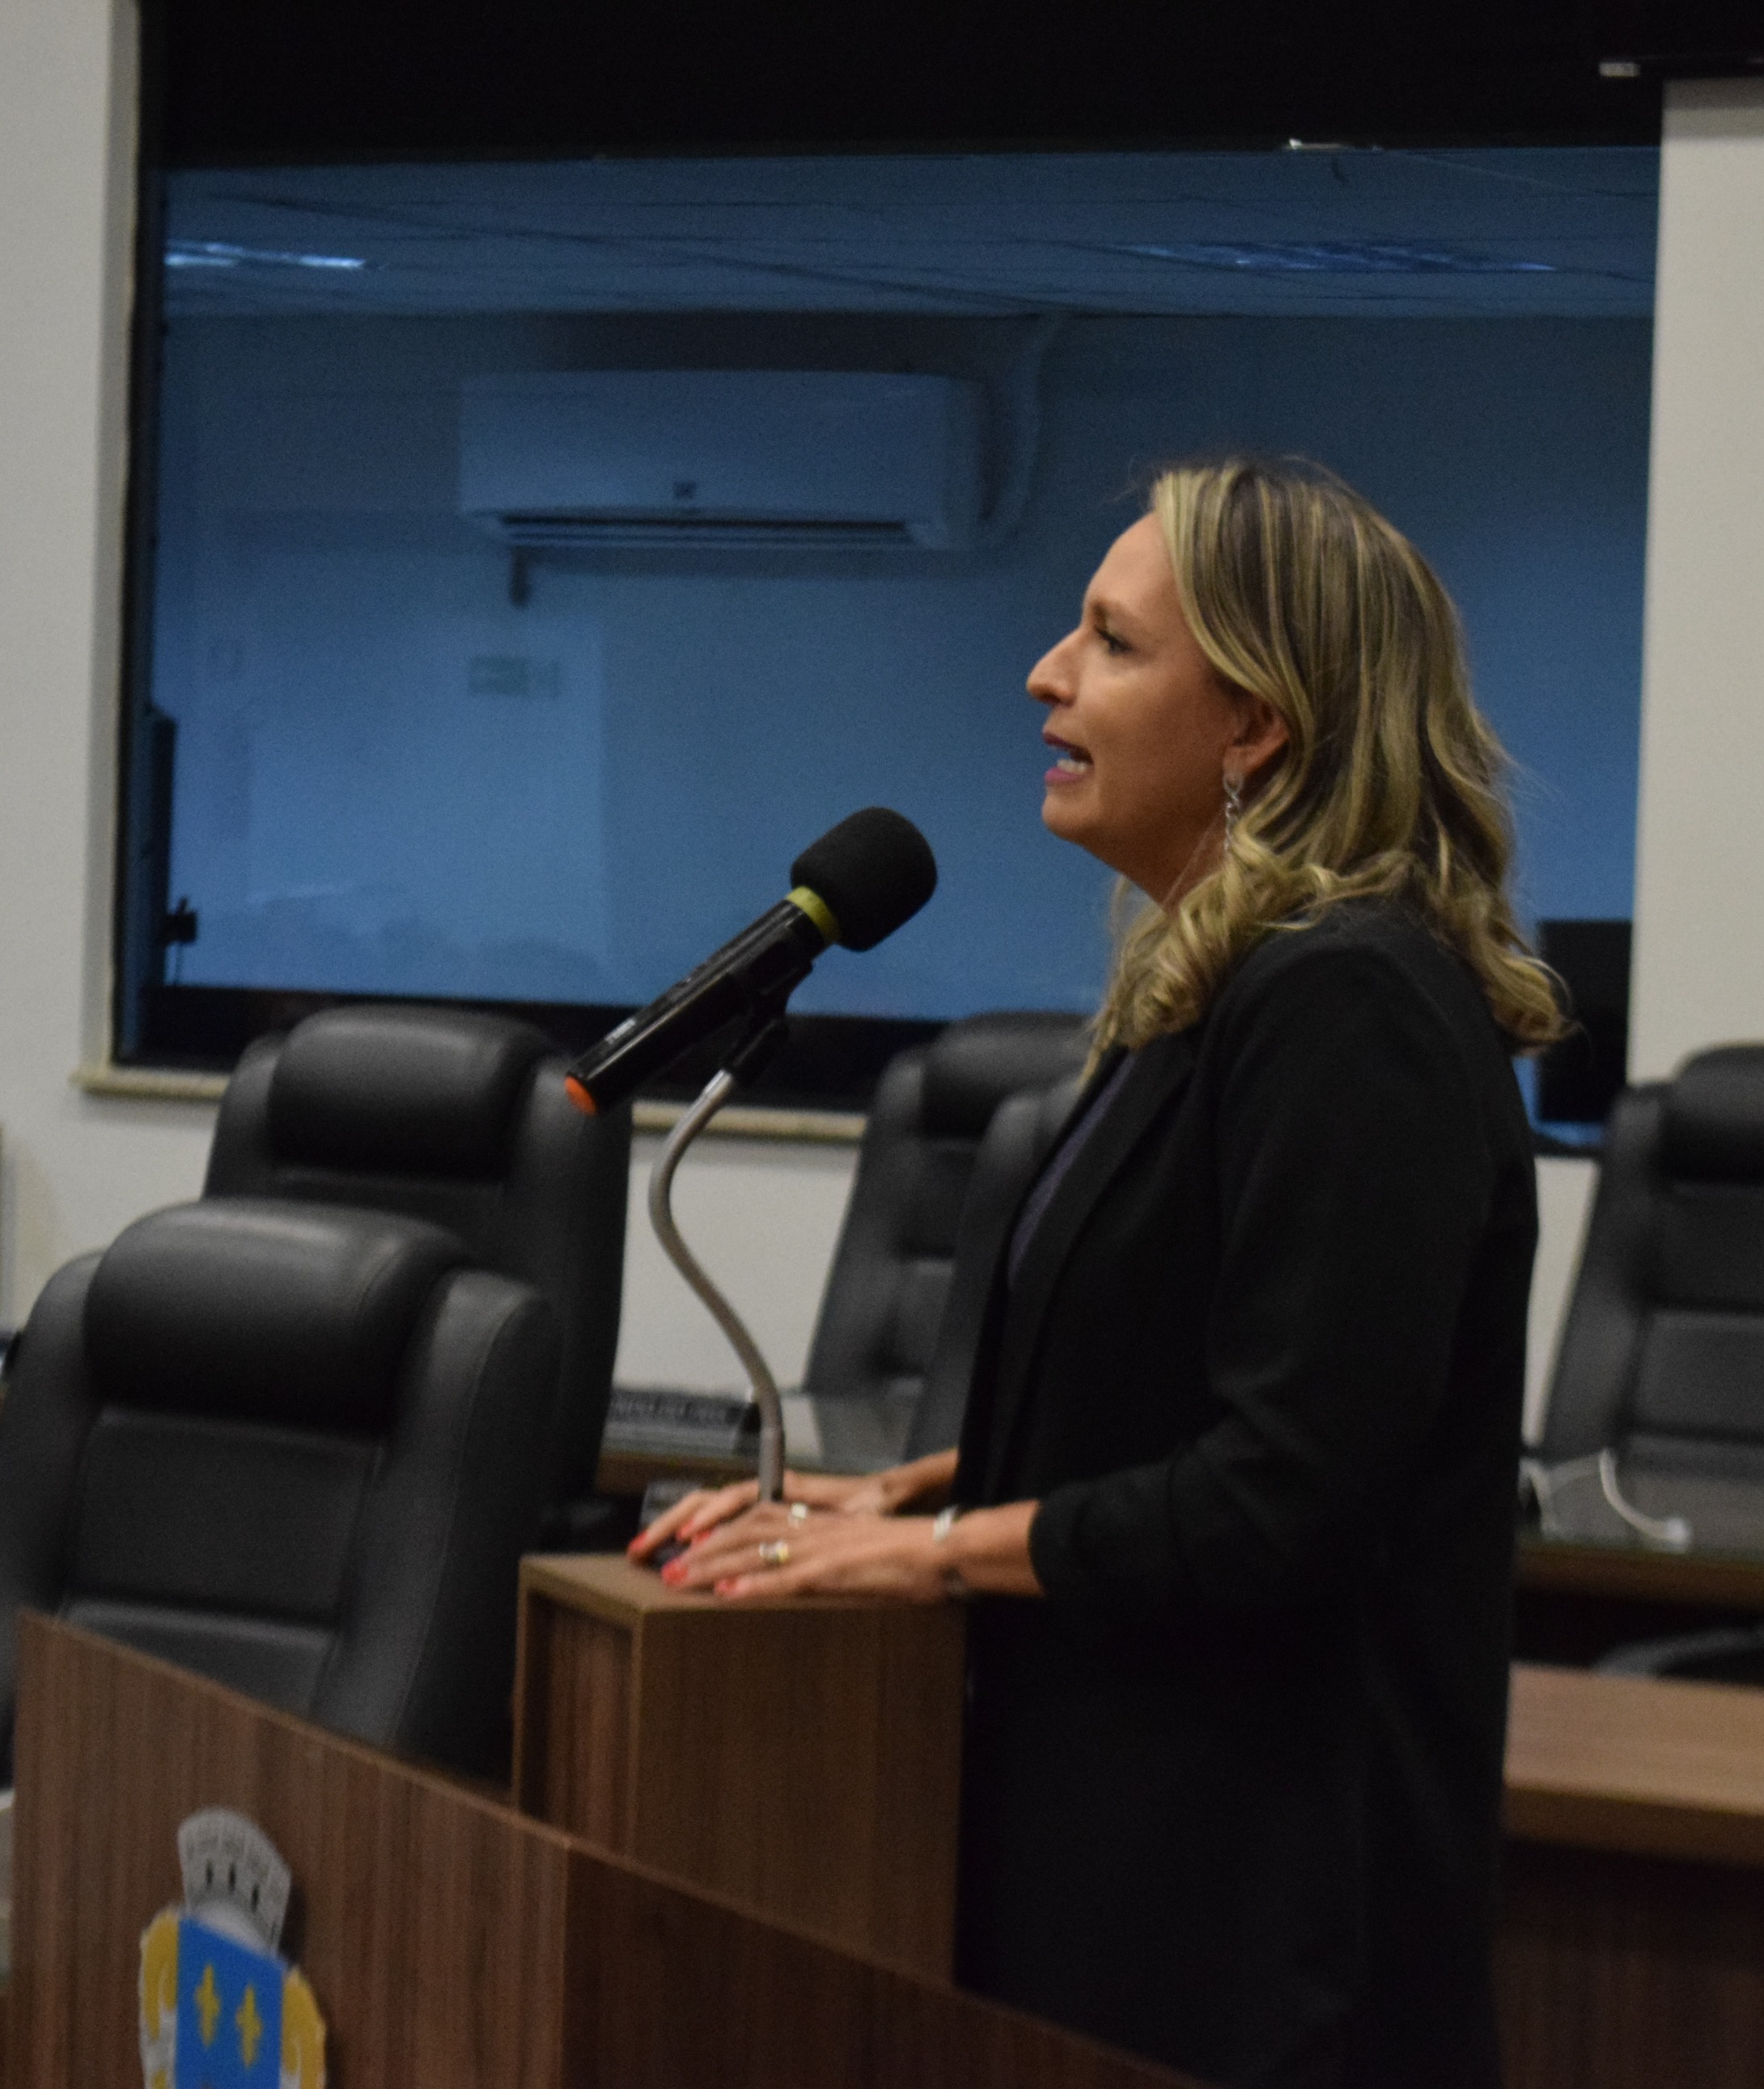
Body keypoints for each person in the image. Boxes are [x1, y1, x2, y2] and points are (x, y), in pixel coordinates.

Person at [629, 455, 1561, 2088]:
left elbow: (1288, 1492)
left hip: (1264, 1929)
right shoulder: (1215, 992)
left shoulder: (1351, 1004)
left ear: (1256, 722)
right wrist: (912, 1493)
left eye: (1113, 643)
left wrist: (933, 1558)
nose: (1044, 673)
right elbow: (1166, 1394)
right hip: (1123, 1867)